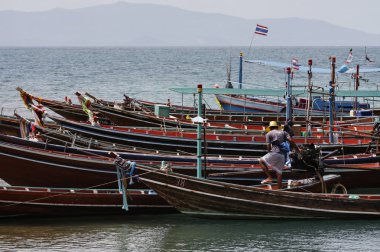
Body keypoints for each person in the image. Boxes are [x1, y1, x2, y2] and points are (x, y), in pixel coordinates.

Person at [259, 121, 297, 189]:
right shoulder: (284, 132)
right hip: (282, 155)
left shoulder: (269, 134)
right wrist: (298, 149)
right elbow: (291, 141)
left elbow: (268, 146)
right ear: (277, 127)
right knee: (279, 173)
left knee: (261, 161)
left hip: (275, 152)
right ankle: (279, 189)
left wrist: (269, 152)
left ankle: (270, 177)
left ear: (270, 128)